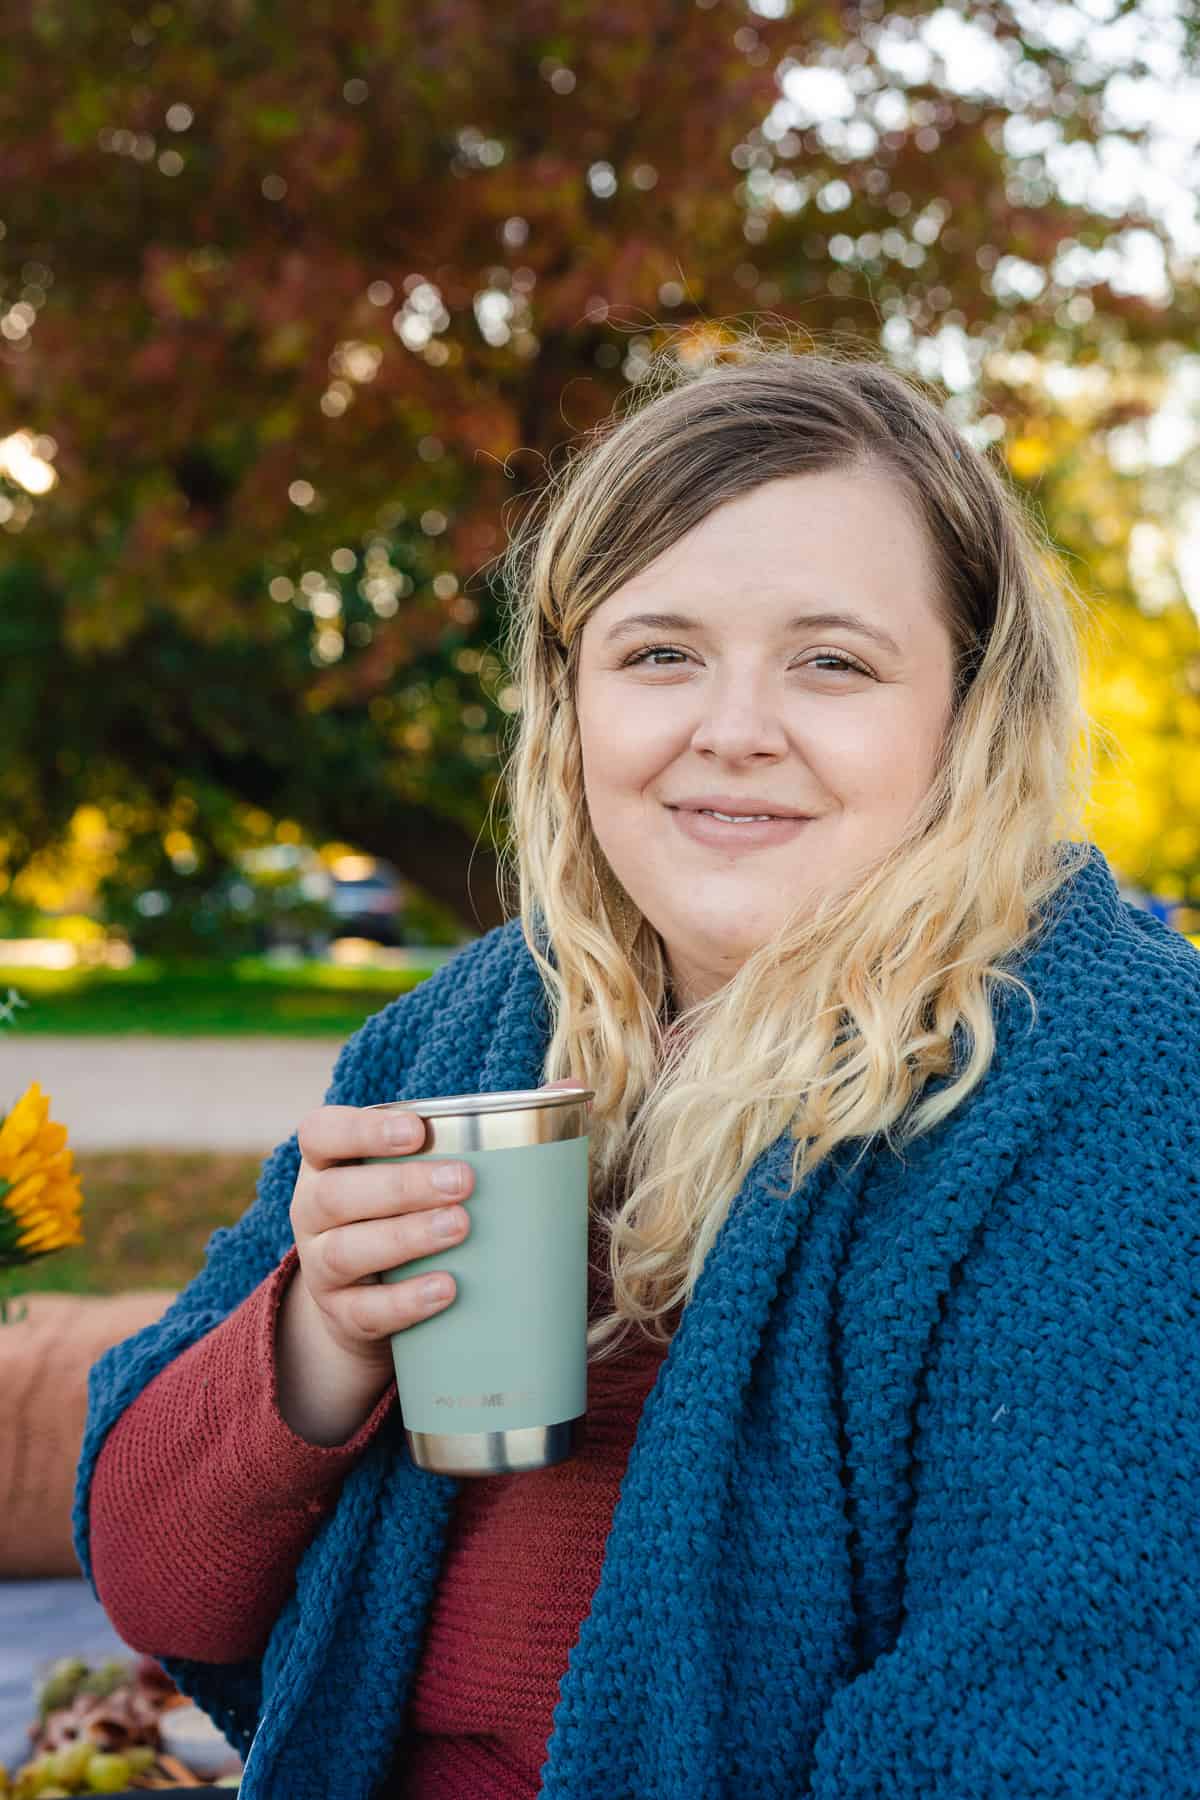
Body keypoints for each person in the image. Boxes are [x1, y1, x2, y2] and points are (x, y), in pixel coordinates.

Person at [75, 340, 1200, 1800]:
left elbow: (1048, 1738)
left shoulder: (1112, 1088)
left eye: (833, 662)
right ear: (572, 698)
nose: (731, 732)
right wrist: (316, 1346)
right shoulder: (470, 1034)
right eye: (659, 653)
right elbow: (156, 1587)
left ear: (969, 708)